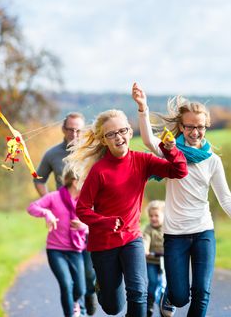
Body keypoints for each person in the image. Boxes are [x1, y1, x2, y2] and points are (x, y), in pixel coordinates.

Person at [65, 108, 188, 317]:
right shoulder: (99, 171)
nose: (118, 137)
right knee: (113, 308)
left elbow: (179, 171)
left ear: (130, 132)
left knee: (139, 291)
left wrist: (171, 150)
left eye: (122, 131)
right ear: (104, 140)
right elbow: (82, 209)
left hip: (132, 238)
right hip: (103, 243)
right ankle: (101, 287)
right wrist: (104, 222)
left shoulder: (142, 161)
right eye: (111, 134)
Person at [132, 82, 231, 317]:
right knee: (179, 296)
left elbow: (225, 198)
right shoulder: (171, 152)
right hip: (175, 234)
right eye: (190, 127)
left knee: (202, 293)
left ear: (206, 126)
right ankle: (169, 296)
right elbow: (147, 141)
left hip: (203, 231)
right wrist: (143, 108)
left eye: (201, 127)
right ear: (181, 126)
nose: (196, 132)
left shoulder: (212, 161)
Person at [33, 112, 97, 316]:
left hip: (91, 218)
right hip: (67, 221)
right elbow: (39, 179)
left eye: (78, 130)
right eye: (70, 129)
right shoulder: (52, 154)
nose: (74, 134)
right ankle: (81, 306)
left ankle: (89, 293)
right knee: (75, 273)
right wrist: (50, 203)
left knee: (89, 271)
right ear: (63, 129)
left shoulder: (92, 153)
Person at [27, 168, 88, 317]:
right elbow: (32, 207)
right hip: (56, 250)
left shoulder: (86, 200)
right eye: (84, 180)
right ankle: (70, 314)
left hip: (76, 250)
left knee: (80, 289)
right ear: (74, 181)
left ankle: (75, 304)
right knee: (66, 284)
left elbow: (95, 223)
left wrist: (84, 226)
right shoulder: (54, 197)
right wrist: (47, 213)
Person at [143, 200, 166, 317]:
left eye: (156, 215)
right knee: (152, 283)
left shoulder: (167, 227)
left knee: (165, 284)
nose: (153, 218)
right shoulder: (148, 229)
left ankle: (165, 305)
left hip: (165, 261)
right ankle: (149, 305)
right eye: (151, 216)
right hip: (151, 260)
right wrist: (145, 250)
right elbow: (145, 239)